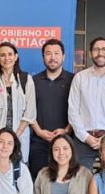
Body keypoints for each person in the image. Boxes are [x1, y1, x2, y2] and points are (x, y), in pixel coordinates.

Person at [68, 37, 105, 169]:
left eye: (104, 49)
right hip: (83, 139)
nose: (100, 53)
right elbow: (73, 111)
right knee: (81, 178)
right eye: (96, 49)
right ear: (90, 53)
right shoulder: (80, 78)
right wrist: (85, 137)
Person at [29, 38, 74, 178]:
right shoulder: (33, 81)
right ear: (43, 57)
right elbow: (28, 110)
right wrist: (39, 131)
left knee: (64, 180)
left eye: (56, 53)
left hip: (66, 141)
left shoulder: (74, 80)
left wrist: (66, 130)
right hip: (39, 141)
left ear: (63, 56)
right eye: (48, 53)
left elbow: (79, 110)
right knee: (39, 180)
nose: (52, 57)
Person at [0, 42, 37, 158]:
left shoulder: (26, 79)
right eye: (2, 55)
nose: (6, 58)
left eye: (10, 54)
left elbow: (30, 111)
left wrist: (15, 135)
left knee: (19, 165)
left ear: (16, 57)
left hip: (20, 134)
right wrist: (1, 136)